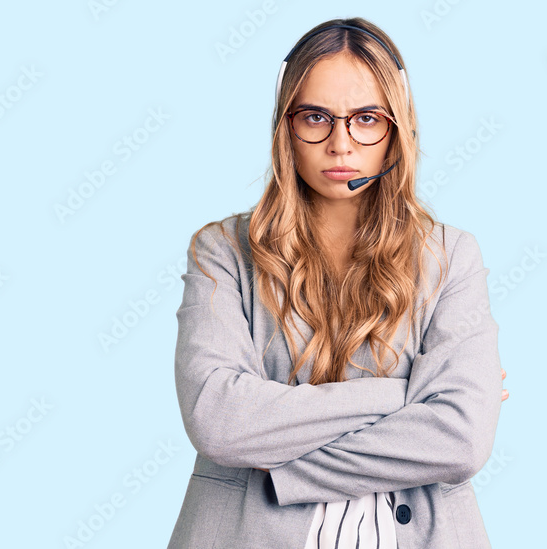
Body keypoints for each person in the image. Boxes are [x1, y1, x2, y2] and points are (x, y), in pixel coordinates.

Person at [167, 17, 507, 548]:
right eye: (315, 117)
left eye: (366, 118)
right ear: (286, 126)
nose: (341, 144)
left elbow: (461, 438)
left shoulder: (450, 254)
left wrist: (286, 469)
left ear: (397, 130)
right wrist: (404, 397)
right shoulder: (222, 251)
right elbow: (219, 421)